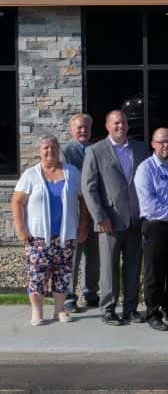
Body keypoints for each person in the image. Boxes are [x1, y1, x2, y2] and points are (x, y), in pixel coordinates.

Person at [81, 109, 150, 326]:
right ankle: (108, 309)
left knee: (133, 265)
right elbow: (88, 187)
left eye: (124, 123)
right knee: (109, 267)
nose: (121, 126)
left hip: (135, 219)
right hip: (109, 221)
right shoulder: (96, 151)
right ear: (107, 126)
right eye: (116, 123)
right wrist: (99, 216)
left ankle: (130, 308)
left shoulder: (140, 148)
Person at [12, 135, 89, 326]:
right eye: (46, 148)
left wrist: (83, 224)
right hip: (37, 237)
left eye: (54, 147)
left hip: (66, 235)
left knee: (62, 273)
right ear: (40, 151)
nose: (50, 151)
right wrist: (21, 228)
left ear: (59, 150)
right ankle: (37, 313)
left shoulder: (72, 172)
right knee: (37, 274)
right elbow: (17, 201)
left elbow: (83, 200)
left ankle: (59, 310)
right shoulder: (31, 174)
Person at [134, 128, 168, 331]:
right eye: (161, 142)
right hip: (156, 226)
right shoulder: (145, 169)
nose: (166, 145)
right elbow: (148, 203)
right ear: (153, 144)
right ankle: (153, 313)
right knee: (154, 273)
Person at [61, 113, 98, 313]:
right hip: (74, 213)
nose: (83, 130)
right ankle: (68, 297)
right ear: (71, 130)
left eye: (86, 127)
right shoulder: (65, 152)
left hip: (96, 212)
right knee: (73, 256)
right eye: (79, 127)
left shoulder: (96, 150)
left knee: (94, 255)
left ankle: (90, 293)